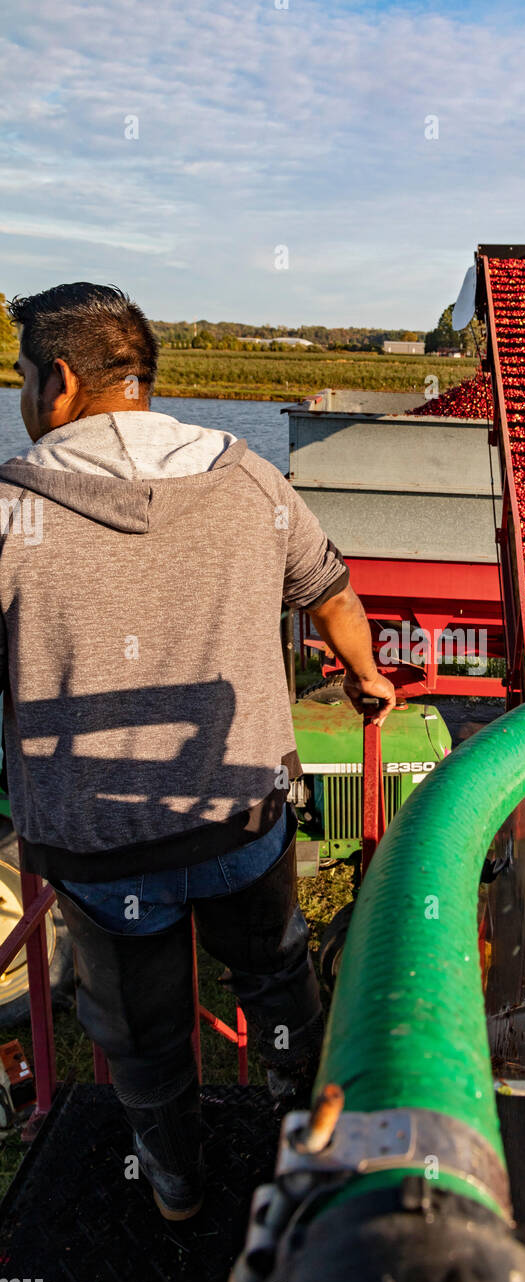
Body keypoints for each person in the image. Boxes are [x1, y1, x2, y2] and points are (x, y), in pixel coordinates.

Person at [1, 282, 395, 1220]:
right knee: (274, 978)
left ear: (57, 381)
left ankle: (175, 1185)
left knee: (140, 1033)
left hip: (100, 851)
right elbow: (331, 593)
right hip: (242, 821)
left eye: (20, 375)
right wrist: (364, 675)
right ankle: (308, 1144)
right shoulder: (253, 480)